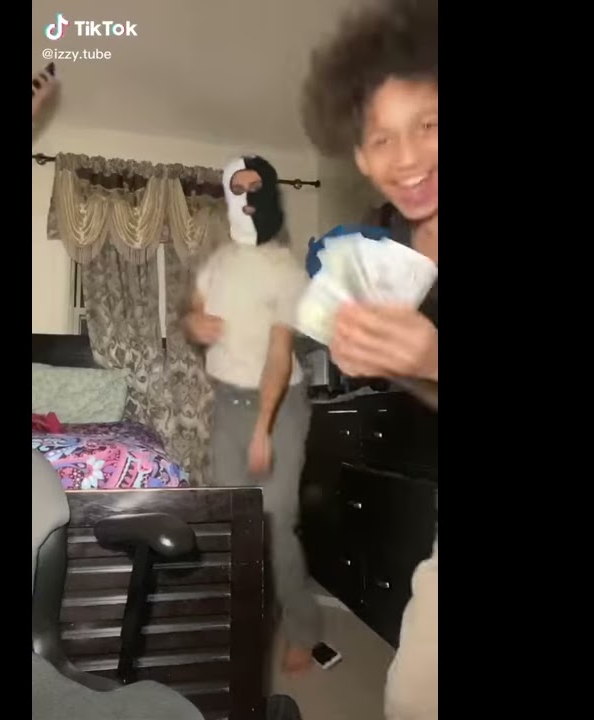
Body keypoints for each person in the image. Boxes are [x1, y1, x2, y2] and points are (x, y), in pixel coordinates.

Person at [300, 0, 439, 718]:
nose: (407, 158)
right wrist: (405, 365)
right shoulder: (396, 245)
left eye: (429, 124)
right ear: (359, 157)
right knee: (410, 697)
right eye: (381, 138)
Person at [184, 155, 322, 676]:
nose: (245, 197)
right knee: (231, 519)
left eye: (255, 186)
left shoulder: (286, 269)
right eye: (236, 188)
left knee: (275, 521)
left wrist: (264, 429)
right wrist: (195, 324)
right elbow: (195, 312)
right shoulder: (217, 262)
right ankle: (238, 623)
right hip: (228, 404)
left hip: (279, 407)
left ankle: (303, 627)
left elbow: (280, 354)